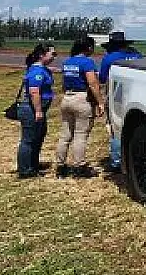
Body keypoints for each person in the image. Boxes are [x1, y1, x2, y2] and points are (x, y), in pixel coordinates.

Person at [54, 36, 104, 178]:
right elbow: (93, 84)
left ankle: (60, 166)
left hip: (67, 98)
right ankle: (79, 166)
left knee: (65, 135)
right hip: (82, 99)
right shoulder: (87, 62)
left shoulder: (67, 62)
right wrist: (100, 102)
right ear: (88, 48)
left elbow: (64, 83)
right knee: (80, 135)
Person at [98, 31, 141, 172]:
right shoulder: (137, 55)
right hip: (138, 94)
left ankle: (117, 162)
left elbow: (102, 78)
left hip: (118, 94)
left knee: (115, 127)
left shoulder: (110, 58)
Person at [17, 43, 56, 178]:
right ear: (42, 55)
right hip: (31, 109)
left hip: (38, 109)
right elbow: (34, 92)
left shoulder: (43, 69)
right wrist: (38, 111)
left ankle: (33, 164)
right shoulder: (37, 71)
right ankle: (25, 169)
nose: (54, 57)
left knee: (38, 137)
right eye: (52, 54)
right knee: (28, 140)